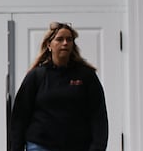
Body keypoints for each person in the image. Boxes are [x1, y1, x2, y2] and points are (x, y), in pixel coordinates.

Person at [8, 21, 108, 151]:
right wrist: (16, 147)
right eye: (60, 39)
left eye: (69, 39)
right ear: (49, 44)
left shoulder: (86, 76)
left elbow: (98, 115)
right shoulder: (36, 76)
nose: (65, 43)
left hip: (78, 144)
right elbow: (20, 116)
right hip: (40, 144)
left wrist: (97, 147)